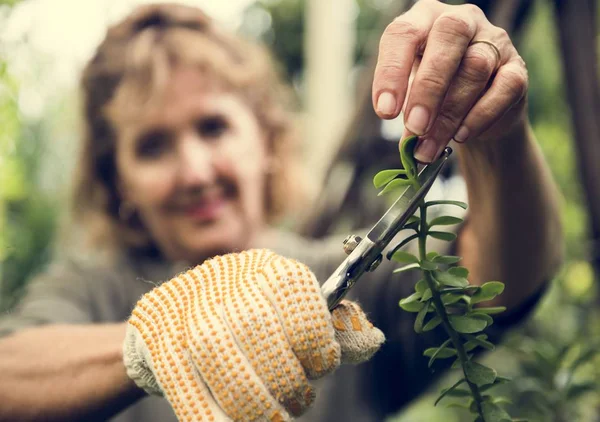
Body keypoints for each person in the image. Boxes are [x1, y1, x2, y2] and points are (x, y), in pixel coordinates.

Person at [0, 1, 563, 421]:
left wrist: (499, 135)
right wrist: (158, 337)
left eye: (213, 126)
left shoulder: (342, 285)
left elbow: (500, 275)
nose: (195, 170)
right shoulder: (91, 290)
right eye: (152, 146)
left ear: (265, 140)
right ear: (116, 181)